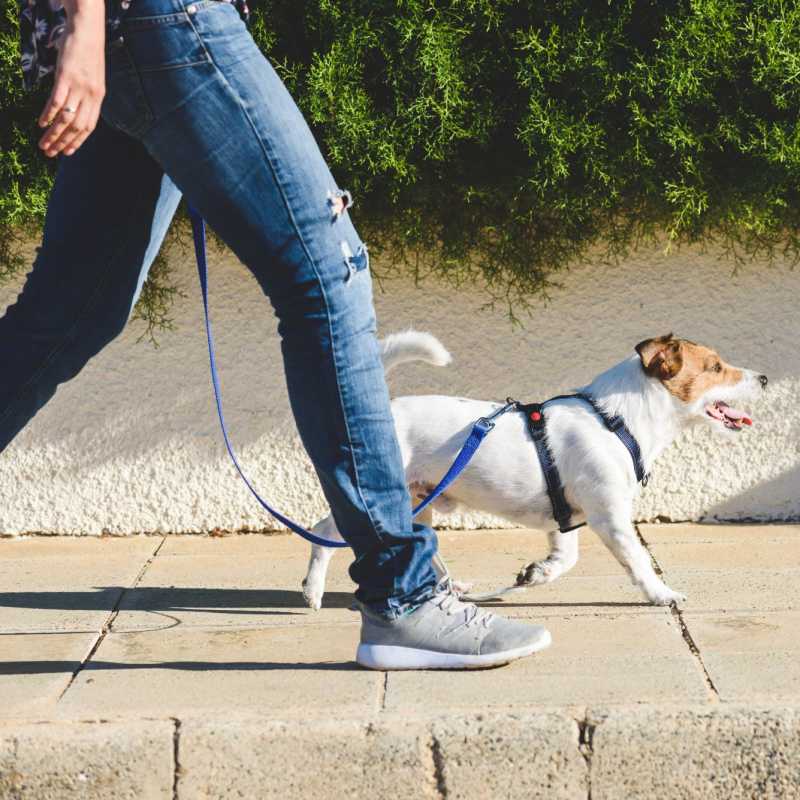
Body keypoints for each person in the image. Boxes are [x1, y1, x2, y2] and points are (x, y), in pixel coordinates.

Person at [10, 0, 551, 669]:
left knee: (69, 315)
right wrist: (88, 24)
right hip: (164, 20)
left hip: (138, 31)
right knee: (328, 276)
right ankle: (403, 595)